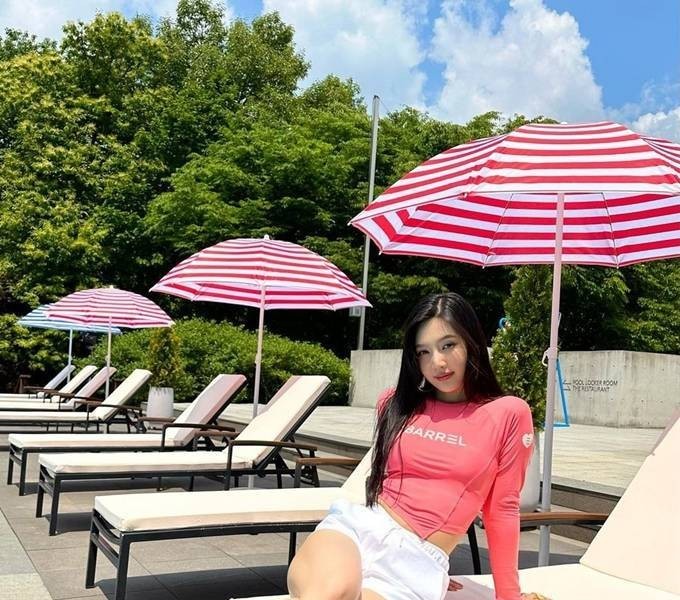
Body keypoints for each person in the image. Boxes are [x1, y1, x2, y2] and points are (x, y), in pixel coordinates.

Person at [288, 292, 547, 600]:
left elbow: (501, 509)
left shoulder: (508, 412)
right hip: (356, 529)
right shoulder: (395, 404)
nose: (437, 362)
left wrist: (509, 596)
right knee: (330, 592)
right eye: (423, 352)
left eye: (448, 345)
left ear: (471, 343)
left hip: (416, 561)